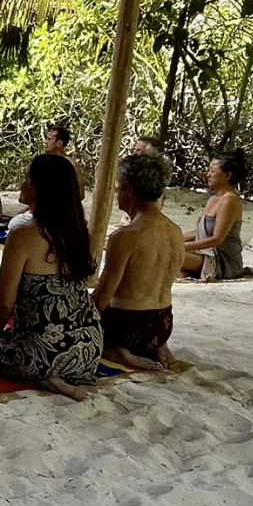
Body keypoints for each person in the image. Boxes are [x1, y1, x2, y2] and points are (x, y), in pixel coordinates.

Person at [0, 153, 102, 401]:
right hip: (90, 349)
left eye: (27, 179)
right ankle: (56, 375)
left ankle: (48, 377)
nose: (23, 185)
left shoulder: (23, 234)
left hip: (41, 354)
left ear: (42, 189)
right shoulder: (78, 232)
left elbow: (4, 302)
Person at [92, 153, 185, 370]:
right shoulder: (175, 231)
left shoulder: (125, 236)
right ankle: (158, 346)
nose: (117, 196)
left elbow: (102, 299)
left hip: (127, 327)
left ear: (129, 191)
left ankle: (116, 351)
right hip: (162, 325)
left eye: (118, 189)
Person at [7, 121, 86, 232]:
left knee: (16, 225)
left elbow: (80, 195)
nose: (45, 142)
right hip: (43, 211)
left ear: (59, 143)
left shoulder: (70, 164)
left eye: (49, 139)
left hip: (59, 213)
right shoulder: (45, 161)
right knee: (15, 223)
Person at [182, 150, 247, 281]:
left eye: (212, 171)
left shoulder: (229, 200)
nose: (208, 175)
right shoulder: (213, 199)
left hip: (221, 262)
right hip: (204, 255)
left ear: (227, 175)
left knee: (166, 253)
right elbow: (201, 231)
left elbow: (217, 239)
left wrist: (181, 247)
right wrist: (174, 239)